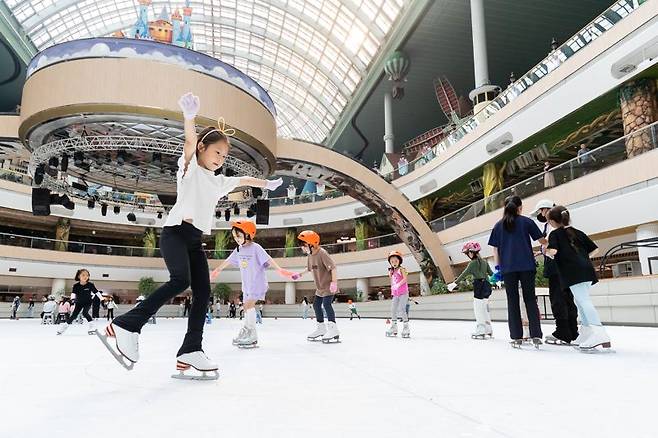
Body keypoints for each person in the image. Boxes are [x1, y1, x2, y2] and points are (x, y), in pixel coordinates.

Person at [100, 92, 283, 377]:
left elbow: (243, 179)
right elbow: (187, 142)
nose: (220, 159)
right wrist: (190, 117)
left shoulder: (219, 180)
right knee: (180, 280)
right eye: (216, 152)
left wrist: (266, 183)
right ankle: (126, 325)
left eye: (224, 155)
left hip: (195, 240)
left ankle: (190, 350)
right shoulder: (188, 170)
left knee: (203, 292)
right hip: (175, 234)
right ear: (202, 148)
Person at [210, 220, 293, 348]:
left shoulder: (256, 248)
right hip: (247, 285)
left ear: (248, 234)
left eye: (238, 236)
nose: (236, 239)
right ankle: (247, 329)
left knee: (248, 305)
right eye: (234, 236)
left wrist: (279, 269)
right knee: (245, 306)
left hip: (257, 283)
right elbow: (228, 260)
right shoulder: (239, 249)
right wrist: (217, 270)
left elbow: (268, 259)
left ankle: (252, 334)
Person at [545, 206, 611, 350]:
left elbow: (553, 251)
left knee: (584, 301)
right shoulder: (578, 232)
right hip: (586, 271)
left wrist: (546, 251)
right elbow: (595, 249)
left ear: (552, 221)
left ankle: (599, 333)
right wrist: (581, 259)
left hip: (573, 273)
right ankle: (586, 332)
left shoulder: (555, 234)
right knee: (581, 302)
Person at [488, 196, 547, 348]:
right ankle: (536, 335)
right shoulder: (527, 222)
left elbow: (495, 249)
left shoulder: (498, 225)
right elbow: (541, 240)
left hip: (508, 269)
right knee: (530, 299)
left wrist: (498, 267)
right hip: (527, 266)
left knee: (512, 301)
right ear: (520, 207)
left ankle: (516, 336)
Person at [531, 200, 579, 345]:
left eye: (540, 212)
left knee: (558, 298)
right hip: (565, 266)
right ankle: (572, 331)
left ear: (546, 210)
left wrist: (544, 250)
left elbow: (553, 247)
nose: (540, 215)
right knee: (567, 299)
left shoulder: (553, 228)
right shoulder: (562, 226)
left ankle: (563, 332)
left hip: (556, 266)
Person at [291, 230, 340, 343]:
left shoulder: (322, 253)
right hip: (320, 288)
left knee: (326, 305)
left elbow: (333, 267)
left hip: (328, 286)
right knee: (316, 305)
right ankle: (321, 328)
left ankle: (334, 330)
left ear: (311, 244)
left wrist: (334, 282)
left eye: (303, 245)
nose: (302, 248)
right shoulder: (310, 256)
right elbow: (309, 269)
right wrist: (299, 275)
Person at [448, 242, 494, 339]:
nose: (467, 255)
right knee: (485, 308)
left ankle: (481, 330)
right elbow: (491, 274)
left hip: (479, 286)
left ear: (471, 253)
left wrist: (454, 284)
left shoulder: (472, 263)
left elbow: (464, 274)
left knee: (478, 308)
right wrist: (497, 281)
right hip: (487, 286)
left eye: (467, 253)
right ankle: (488, 329)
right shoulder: (485, 262)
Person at [57, 269, 101, 335]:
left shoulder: (90, 285)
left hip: (88, 302)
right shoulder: (76, 286)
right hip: (79, 302)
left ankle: (92, 327)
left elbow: (96, 292)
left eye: (87, 275)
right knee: (73, 316)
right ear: (78, 276)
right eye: (83, 275)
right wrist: (73, 299)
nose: (85, 276)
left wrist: (102, 298)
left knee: (85, 313)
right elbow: (73, 293)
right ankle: (63, 329)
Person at [385, 251, 410, 338]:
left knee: (402, 309)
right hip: (395, 294)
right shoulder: (392, 271)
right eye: (392, 262)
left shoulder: (401, 269)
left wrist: (398, 285)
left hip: (403, 292)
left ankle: (406, 328)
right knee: (393, 309)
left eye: (396, 261)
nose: (394, 263)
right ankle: (393, 327)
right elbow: (392, 281)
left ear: (399, 261)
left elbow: (405, 279)